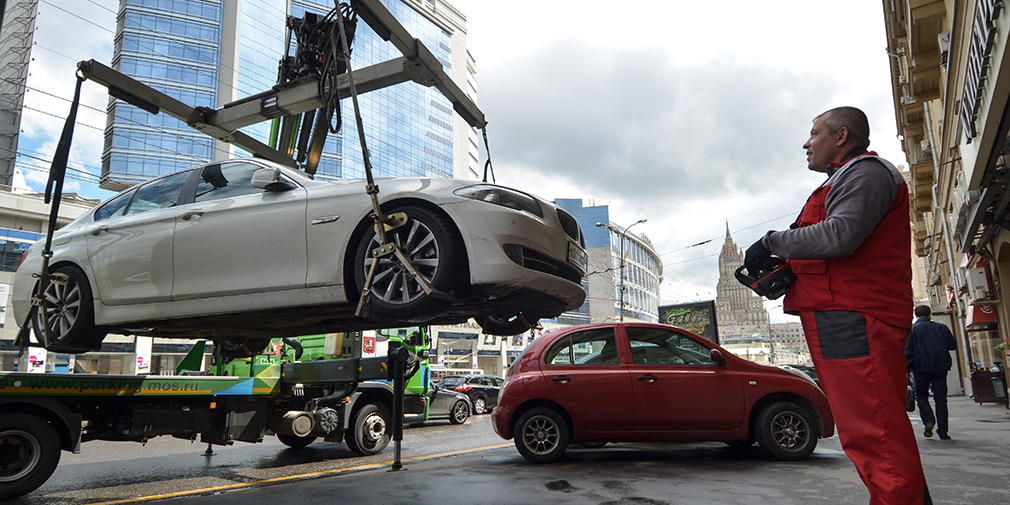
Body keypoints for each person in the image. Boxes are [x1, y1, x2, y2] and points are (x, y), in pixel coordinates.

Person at [745, 106, 931, 505]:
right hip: (844, 315)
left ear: (841, 136)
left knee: (874, 433)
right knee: (878, 429)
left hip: (853, 316)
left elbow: (841, 234)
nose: (806, 142)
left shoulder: (865, 172)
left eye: (814, 133)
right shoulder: (849, 177)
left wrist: (772, 242)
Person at [905, 305, 957, 440]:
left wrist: (906, 369)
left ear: (916, 316)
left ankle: (929, 421)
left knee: (921, 395)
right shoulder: (942, 328)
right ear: (930, 315)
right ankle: (943, 431)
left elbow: (908, 351)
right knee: (940, 399)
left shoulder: (913, 330)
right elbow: (953, 345)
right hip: (940, 368)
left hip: (920, 369)